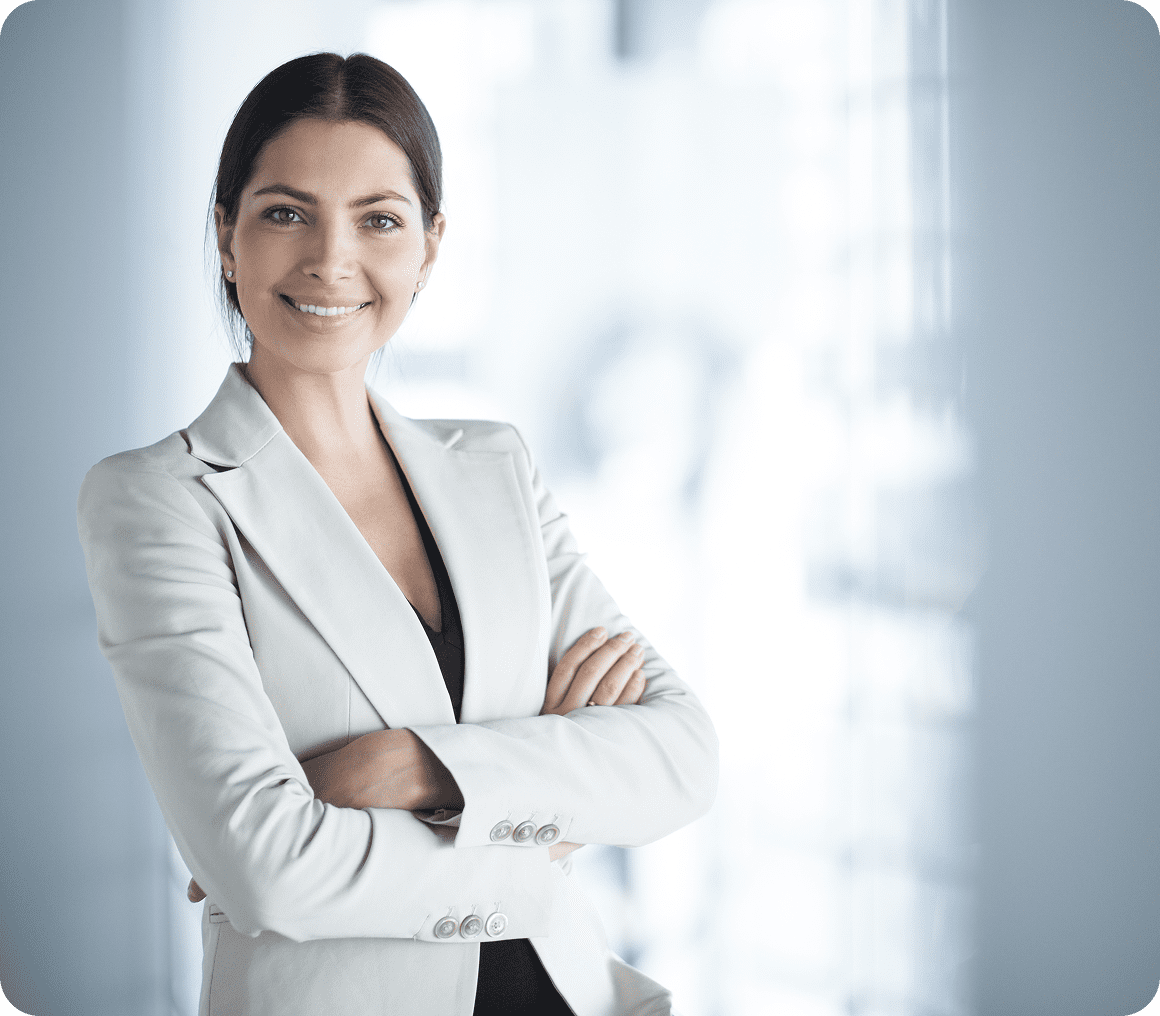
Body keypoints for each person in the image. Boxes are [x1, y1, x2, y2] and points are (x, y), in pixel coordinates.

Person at [77, 52, 718, 1016]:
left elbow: (679, 756)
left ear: (429, 246)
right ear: (224, 234)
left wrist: (409, 768)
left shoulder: (494, 467)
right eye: (286, 212)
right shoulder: (159, 501)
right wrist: (538, 816)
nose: (331, 261)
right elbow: (270, 870)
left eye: (378, 219)